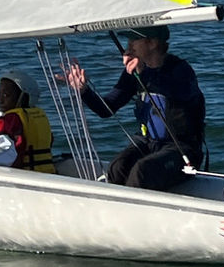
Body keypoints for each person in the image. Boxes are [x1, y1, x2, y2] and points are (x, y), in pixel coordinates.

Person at [65, 26, 205, 191]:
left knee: (143, 171)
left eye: (134, 40)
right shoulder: (135, 73)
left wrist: (143, 71)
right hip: (148, 144)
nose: (129, 46)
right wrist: (84, 91)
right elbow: (106, 109)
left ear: (152, 43)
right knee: (117, 167)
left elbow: (173, 89)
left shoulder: (180, 70)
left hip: (182, 150)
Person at [0, 69, 56, 172]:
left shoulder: (12, 118)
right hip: (48, 171)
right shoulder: (41, 115)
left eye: (6, 95)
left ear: (23, 97)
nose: (0, 100)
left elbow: (17, 149)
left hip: (26, 173)